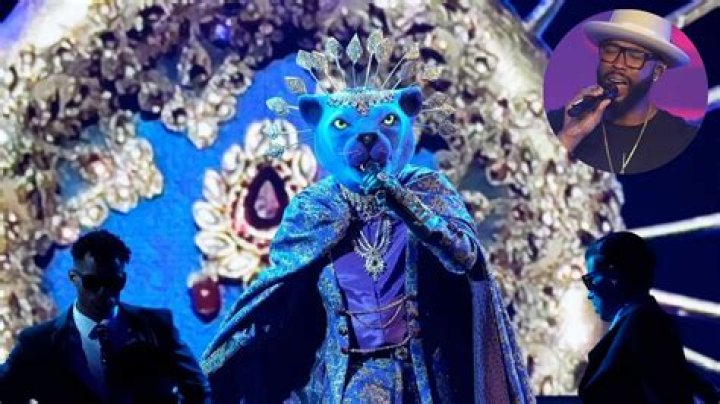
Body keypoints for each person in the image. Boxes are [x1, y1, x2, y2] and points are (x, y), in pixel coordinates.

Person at [201, 33, 534, 403]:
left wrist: (409, 208)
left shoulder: (425, 188)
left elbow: (467, 260)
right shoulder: (314, 208)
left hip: (428, 380)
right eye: (342, 125)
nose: (368, 137)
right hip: (350, 384)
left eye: (387, 120)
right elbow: (274, 299)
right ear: (317, 124)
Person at [0, 230, 210, 403]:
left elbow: (197, 388)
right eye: (92, 283)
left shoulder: (156, 328)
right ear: (74, 278)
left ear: (123, 280)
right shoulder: (38, 344)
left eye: (113, 283)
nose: (103, 293)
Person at [548, 10, 698, 174]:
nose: (618, 64)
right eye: (610, 50)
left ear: (658, 71)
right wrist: (570, 136)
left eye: (635, 56)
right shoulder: (561, 121)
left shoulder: (681, 138)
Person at [579, 231, 718, 403]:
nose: (589, 294)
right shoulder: (643, 324)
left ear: (614, 275)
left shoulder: (644, 326)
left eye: (590, 280)